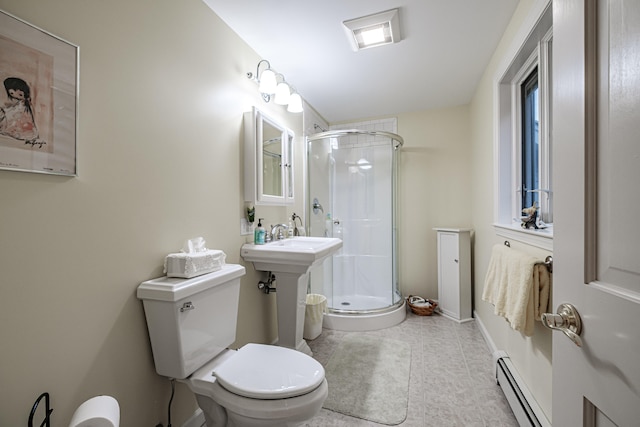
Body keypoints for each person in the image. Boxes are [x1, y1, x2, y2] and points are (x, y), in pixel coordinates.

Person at [0, 76, 39, 143]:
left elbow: (17, 111)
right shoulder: (20, 103)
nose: (15, 95)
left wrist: (7, 111)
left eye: (20, 94)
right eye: (11, 93)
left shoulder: (25, 104)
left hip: (22, 125)